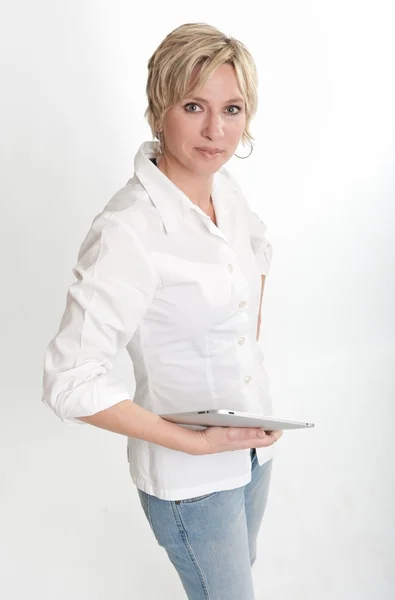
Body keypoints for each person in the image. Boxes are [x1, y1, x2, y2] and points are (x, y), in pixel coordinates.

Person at [42, 22, 283, 600]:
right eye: (194, 105)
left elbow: (260, 251)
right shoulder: (129, 230)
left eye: (232, 108)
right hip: (190, 481)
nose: (215, 129)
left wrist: (238, 343)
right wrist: (193, 442)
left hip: (253, 452)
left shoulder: (227, 192)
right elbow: (69, 382)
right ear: (159, 110)